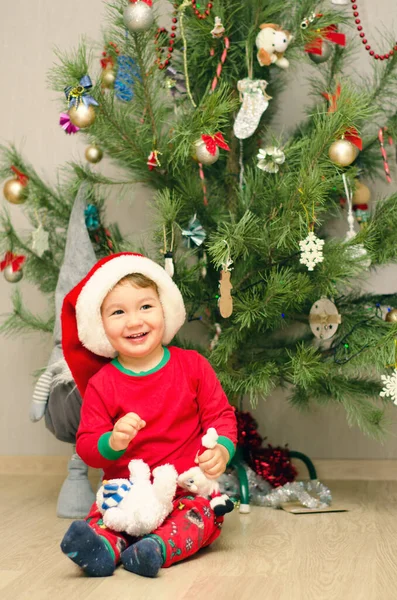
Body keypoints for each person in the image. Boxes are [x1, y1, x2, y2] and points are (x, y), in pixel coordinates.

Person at [60, 251, 237, 578]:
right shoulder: (102, 384)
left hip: (183, 489)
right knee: (104, 515)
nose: (134, 321)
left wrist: (222, 448)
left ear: (164, 310)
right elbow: (86, 445)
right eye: (118, 312)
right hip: (126, 491)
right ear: (101, 326)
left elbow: (221, 415)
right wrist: (112, 441)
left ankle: (155, 548)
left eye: (145, 306)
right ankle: (103, 547)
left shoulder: (192, 367)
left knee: (199, 516)